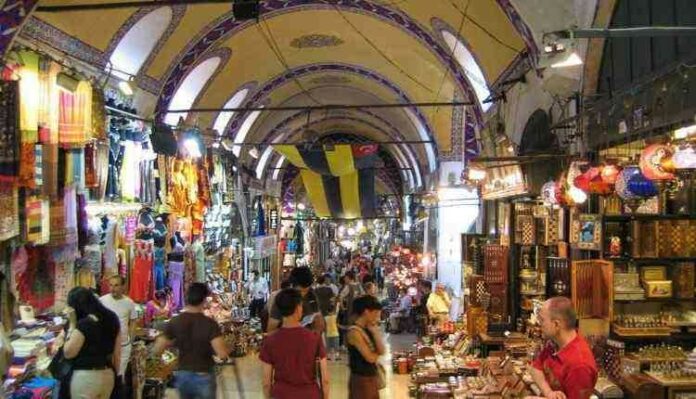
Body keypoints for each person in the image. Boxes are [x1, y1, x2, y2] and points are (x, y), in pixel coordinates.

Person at [152, 283, 230, 399]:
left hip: (183, 375)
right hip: (204, 374)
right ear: (204, 299)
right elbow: (222, 353)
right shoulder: (210, 324)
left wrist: (173, 343)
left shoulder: (175, 321)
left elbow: (157, 349)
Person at [260, 288, 330, 399]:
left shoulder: (270, 341)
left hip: (282, 394)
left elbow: (266, 383)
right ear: (298, 309)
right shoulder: (314, 338)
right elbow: (325, 379)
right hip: (310, 394)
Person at [531, 297, 598, 399]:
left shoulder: (579, 365)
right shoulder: (554, 343)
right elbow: (535, 369)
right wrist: (548, 393)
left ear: (556, 324)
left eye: (542, 320)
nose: (539, 324)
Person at [62, 287, 121, 399]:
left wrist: (72, 325)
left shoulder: (84, 324)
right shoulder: (111, 318)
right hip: (107, 374)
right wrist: (116, 375)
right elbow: (117, 352)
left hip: (85, 377)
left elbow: (69, 352)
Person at [100, 275, 137, 397]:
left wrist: (130, 340)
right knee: (105, 376)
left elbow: (133, 321)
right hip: (106, 346)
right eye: (110, 285)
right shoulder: (102, 301)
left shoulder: (129, 303)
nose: (113, 288)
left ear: (122, 287)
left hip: (123, 346)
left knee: (119, 376)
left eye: (116, 285)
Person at [346, 295, 385, 399]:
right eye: (376, 313)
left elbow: (382, 350)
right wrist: (377, 353)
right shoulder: (354, 332)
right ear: (366, 312)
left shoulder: (369, 328)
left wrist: (376, 333)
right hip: (361, 379)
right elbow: (370, 358)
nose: (377, 317)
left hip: (371, 376)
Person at [268, 267, 325, 334]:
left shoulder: (311, 295)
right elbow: (271, 329)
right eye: (300, 291)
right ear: (291, 286)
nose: (303, 294)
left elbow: (320, 322)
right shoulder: (283, 299)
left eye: (306, 291)